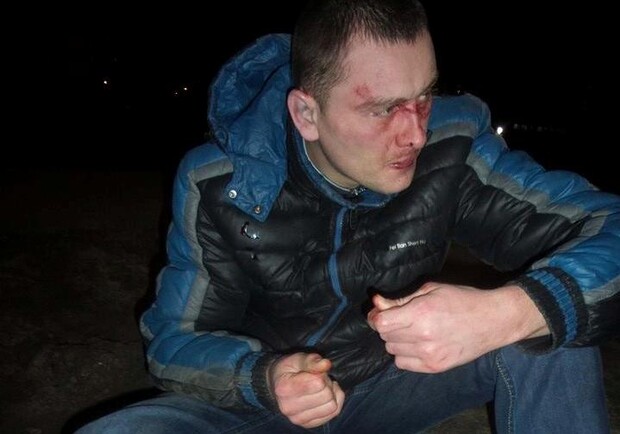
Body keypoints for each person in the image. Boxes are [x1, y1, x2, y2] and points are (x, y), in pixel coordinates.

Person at [76, 1, 619, 432]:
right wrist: (264, 376)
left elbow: (607, 226)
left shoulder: (451, 147)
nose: (415, 133)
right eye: (382, 108)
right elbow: (173, 341)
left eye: (423, 97)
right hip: (267, 406)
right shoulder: (222, 184)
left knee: (549, 326)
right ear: (306, 113)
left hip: (394, 385)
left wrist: (509, 312)